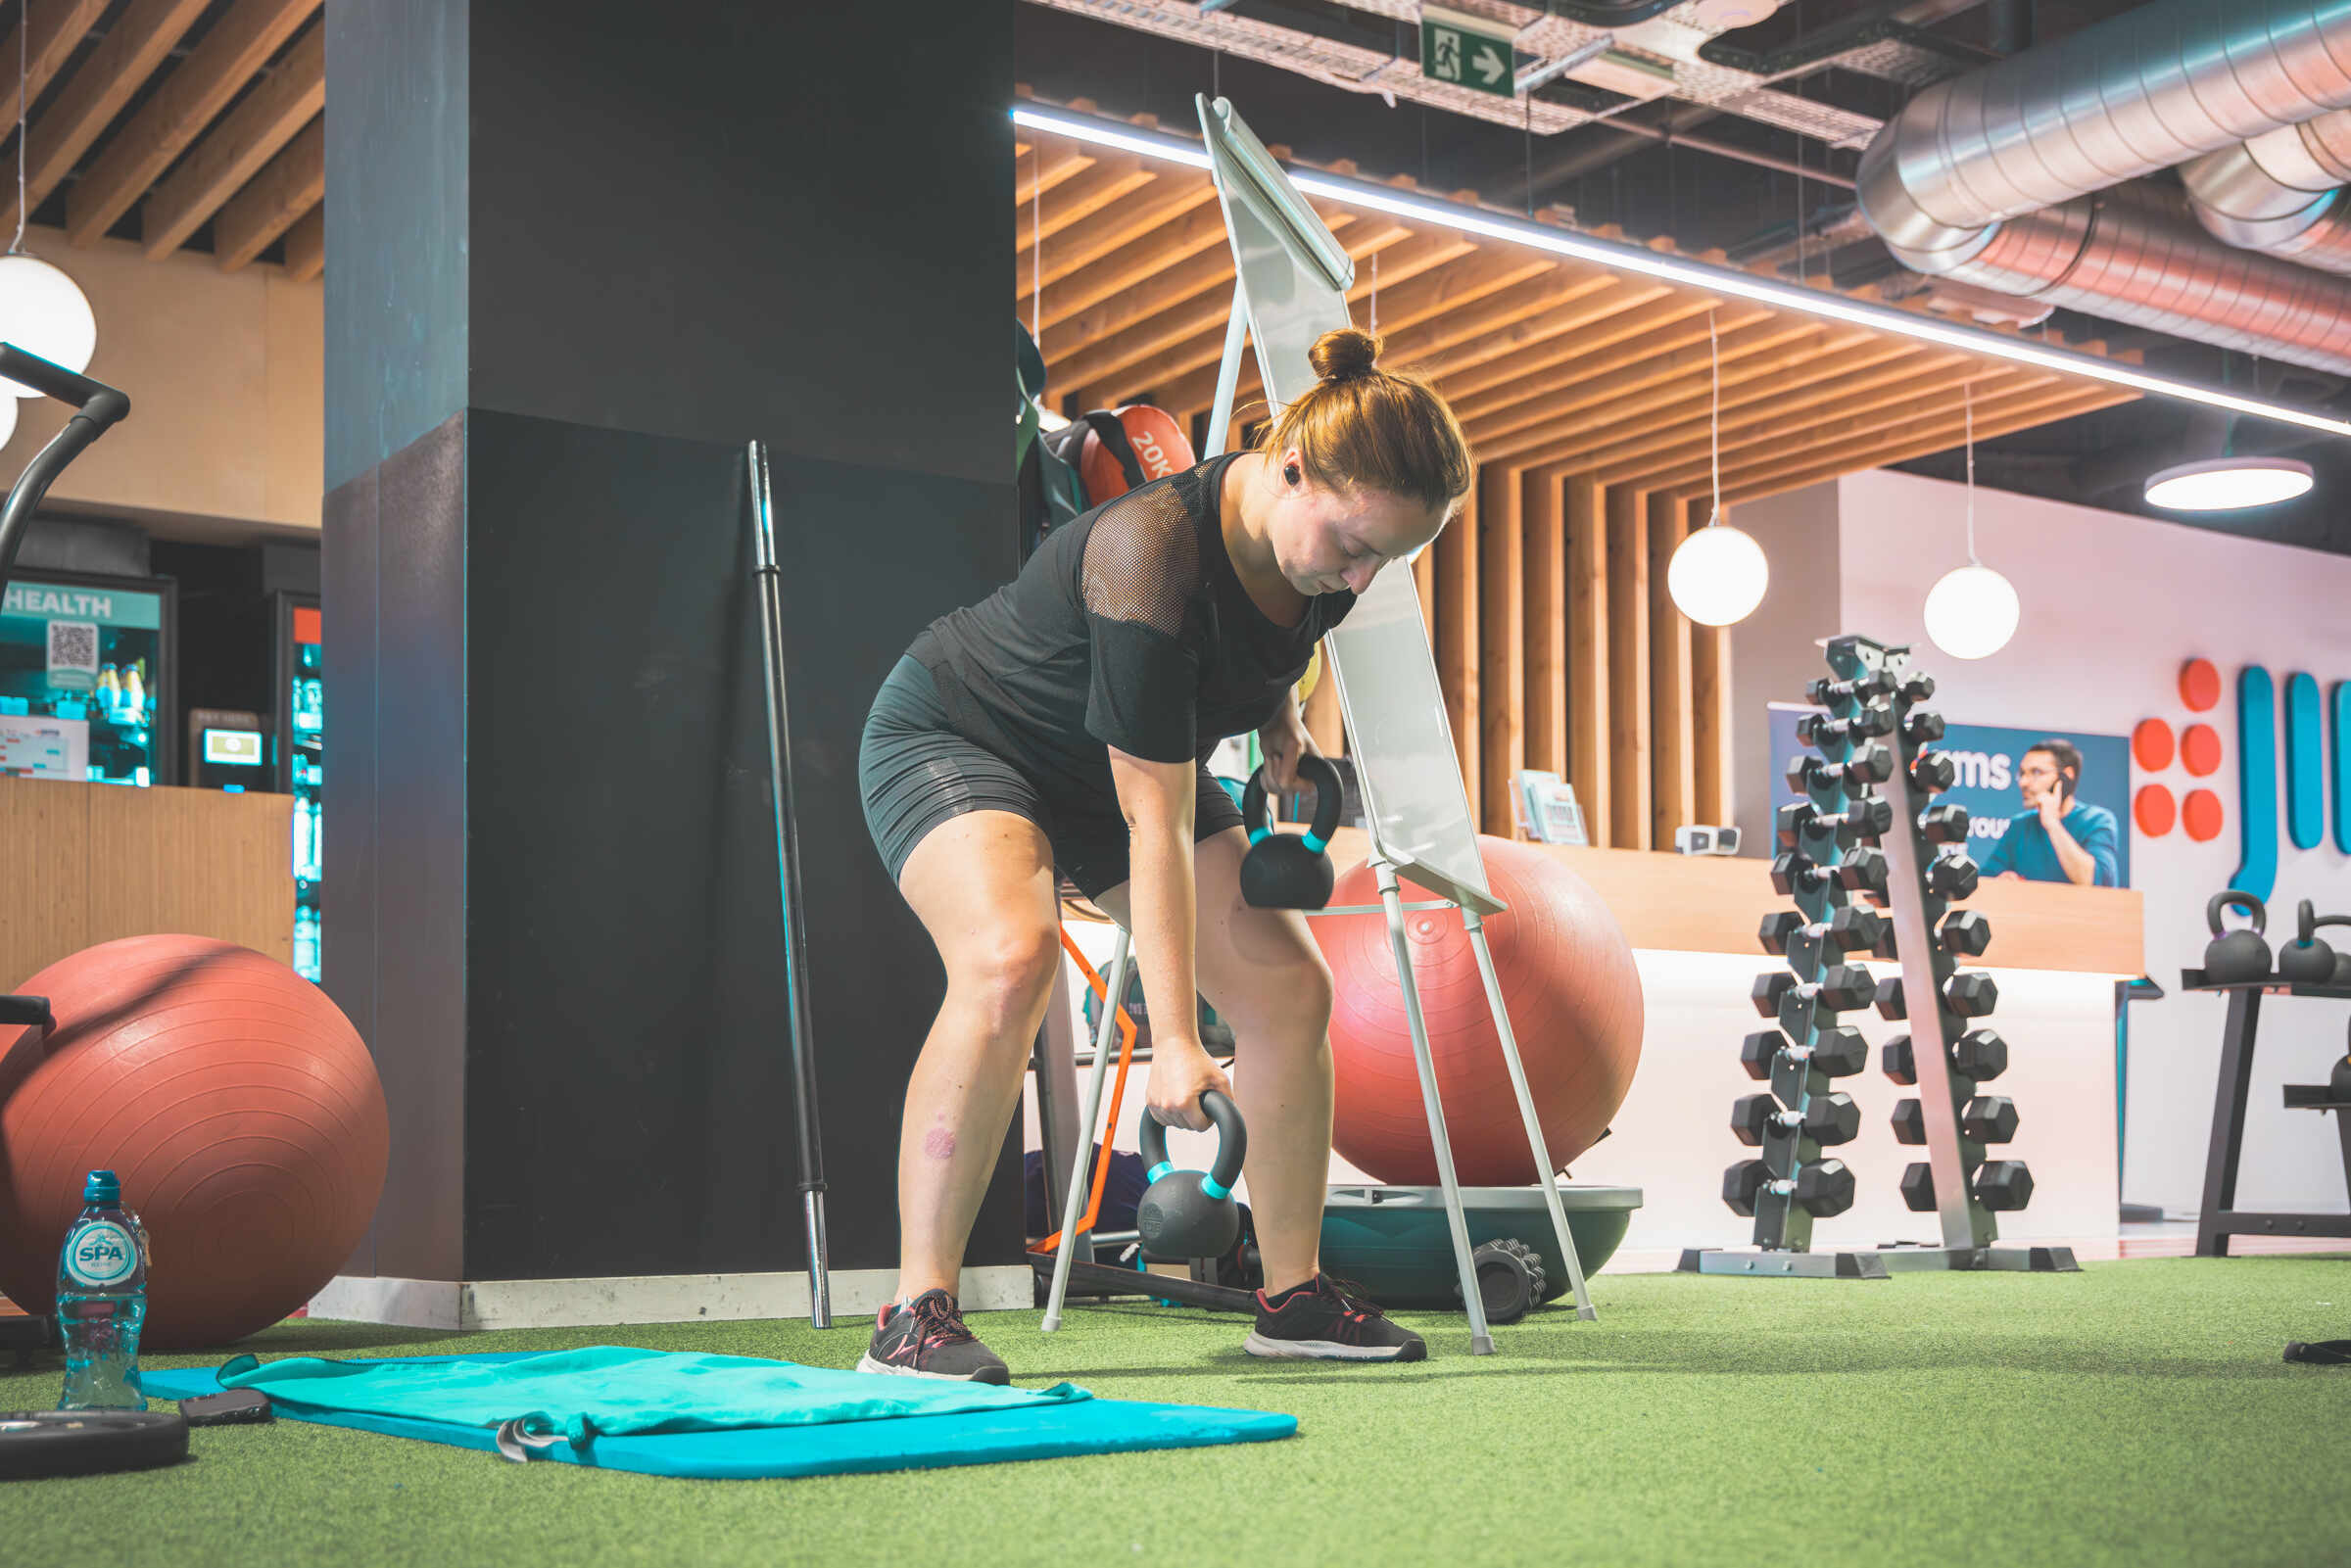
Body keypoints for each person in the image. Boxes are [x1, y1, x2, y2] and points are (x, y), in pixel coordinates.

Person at [854, 326, 1472, 1382]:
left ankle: (1292, 1297)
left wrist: (1282, 720)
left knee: (1290, 989)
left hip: (1126, 755)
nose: (1363, 575)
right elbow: (1153, 825)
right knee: (1011, 959)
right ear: (1291, 468)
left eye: (1389, 557)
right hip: (967, 732)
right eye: (1356, 544)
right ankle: (913, 1315)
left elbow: (1265, 643)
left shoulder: (1323, 555)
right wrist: (1176, 1043)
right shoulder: (1151, 554)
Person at [1980, 739, 2119, 887]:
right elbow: (1981, 884)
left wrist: (2052, 824)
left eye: (2036, 772)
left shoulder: (2096, 820)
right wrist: (2000, 881)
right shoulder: (2020, 826)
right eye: (2022, 773)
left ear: (2066, 776)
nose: (2023, 782)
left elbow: (2096, 882)